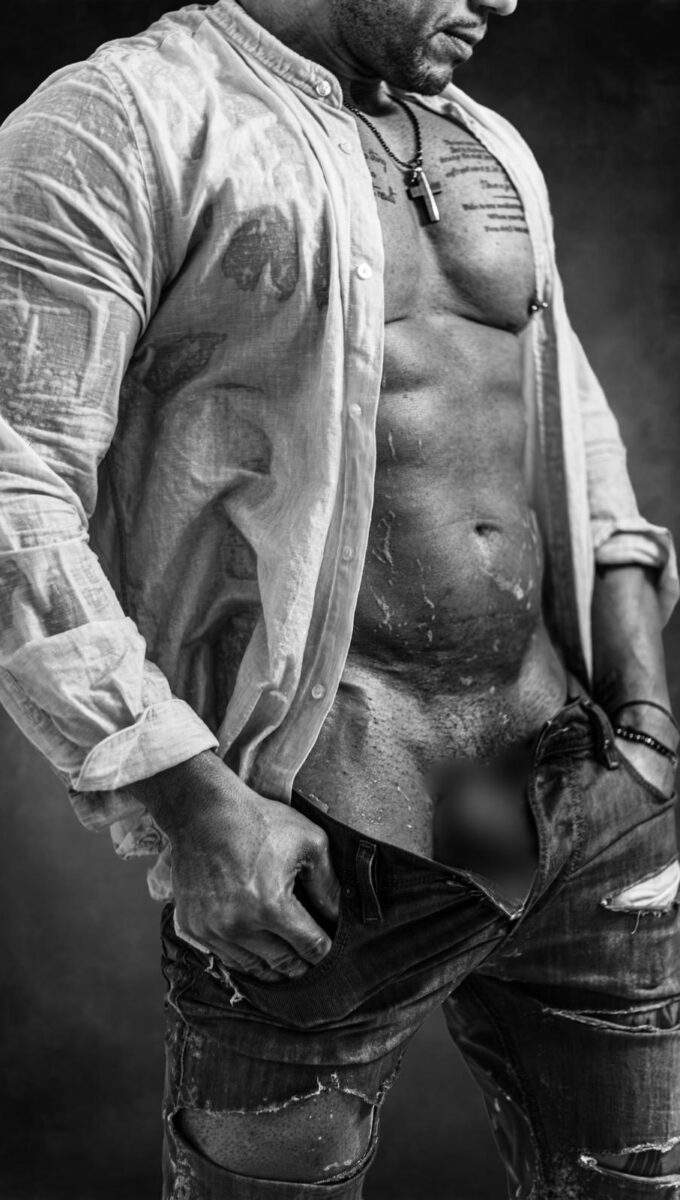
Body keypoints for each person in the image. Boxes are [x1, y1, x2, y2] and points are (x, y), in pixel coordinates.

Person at [1, 0, 679, 1195]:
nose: (504, 0)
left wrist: (646, 721)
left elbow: (562, 418)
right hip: (322, 848)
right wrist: (197, 807)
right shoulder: (123, 122)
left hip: (581, 798)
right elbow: (15, 486)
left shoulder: (484, 140)